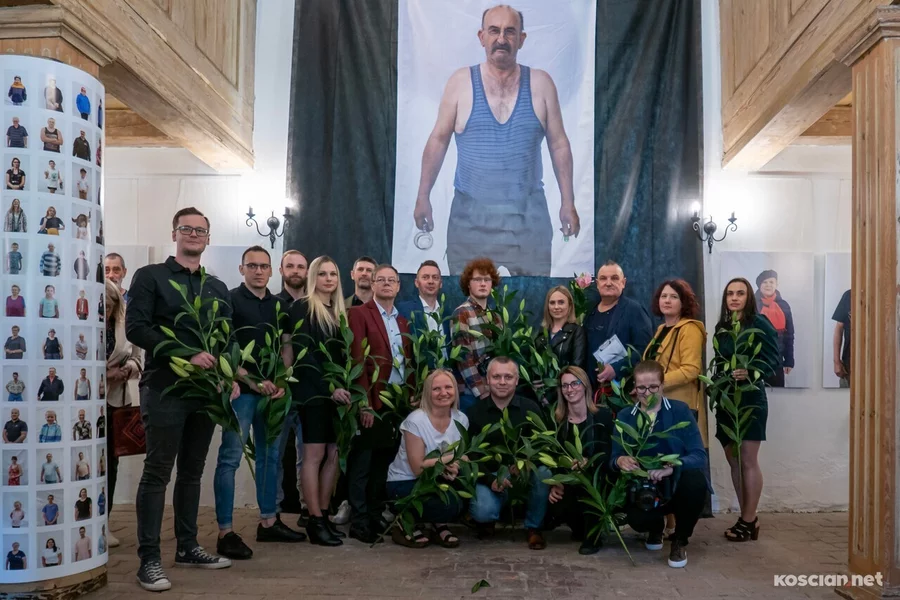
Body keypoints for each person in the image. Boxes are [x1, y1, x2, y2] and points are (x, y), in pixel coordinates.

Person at [413, 5, 579, 276]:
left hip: (528, 222)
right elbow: (438, 141)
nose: (501, 38)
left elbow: (559, 144)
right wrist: (423, 196)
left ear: (521, 39)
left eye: (510, 32)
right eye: (494, 31)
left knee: (533, 299)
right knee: (466, 302)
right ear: (482, 37)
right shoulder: (460, 83)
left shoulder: (541, 84)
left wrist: (568, 203)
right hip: (470, 223)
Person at [126, 207, 235, 590]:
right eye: (186, 228)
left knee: (192, 471)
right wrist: (185, 354)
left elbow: (227, 338)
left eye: (200, 230)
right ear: (174, 233)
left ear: (208, 238)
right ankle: (149, 560)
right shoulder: (150, 276)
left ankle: (188, 547)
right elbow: (136, 328)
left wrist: (229, 374)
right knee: (158, 472)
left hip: (205, 393)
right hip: (165, 388)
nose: (193, 234)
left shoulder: (216, 287)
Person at [213, 246, 306, 562]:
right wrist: (252, 381)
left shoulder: (280, 305)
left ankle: (269, 521)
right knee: (230, 458)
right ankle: (225, 531)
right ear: (242, 269)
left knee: (270, 457)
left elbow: (287, 345)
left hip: (272, 394)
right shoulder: (229, 300)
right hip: (240, 393)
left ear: (271, 270)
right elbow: (224, 348)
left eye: (263, 266)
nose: (258, 271)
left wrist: (281, 379)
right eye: (252, 266)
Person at [611, 360, 711, 568]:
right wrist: (620, 460)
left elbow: (699, 455)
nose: (647, 393)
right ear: (634, 387)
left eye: (653, 387)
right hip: (643, 486)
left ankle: (680, 540)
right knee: (637, 519)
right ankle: (655, 527)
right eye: (641, 388)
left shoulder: (680, 411)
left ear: (663, 385)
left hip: (675, 483)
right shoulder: (625, 416)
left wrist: (672, 466)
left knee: (696, 482)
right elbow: (613, 457)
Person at [282, 255, 348, 547]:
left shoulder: (340, 311)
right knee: (314, 455)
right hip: (313, 391)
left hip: (338, 394)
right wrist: (329, 387)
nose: (328, 279)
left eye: (333, 274)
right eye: (322, 274)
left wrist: (344, 388)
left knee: (333, 454)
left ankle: (323, 515)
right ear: (313, 277)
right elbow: (304, 354)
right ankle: (313, 519)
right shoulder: (302, 307)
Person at [346, 264, 413, 544]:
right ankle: (359, 520)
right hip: (372, 400)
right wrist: (364, 403)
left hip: (396, 402)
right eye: (381, 279)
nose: (386, 284)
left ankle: (374, 515)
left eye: (391, 280)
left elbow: (407, 362)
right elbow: (357, 359)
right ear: (372, 284)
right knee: (362, 464)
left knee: (382, 464)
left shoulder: (403, 321)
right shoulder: (359, 314)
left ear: (398, 286)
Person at [713, 278, 780, 543]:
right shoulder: (722, 327)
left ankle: (748, 520)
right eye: (730, 293)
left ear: (748, 297)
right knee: (734, 459)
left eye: (740, 293)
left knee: (748, 459)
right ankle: (747, 517)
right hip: (726, 398)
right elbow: (719, 362)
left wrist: (751, 372)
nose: (734, 298)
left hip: (750, 398)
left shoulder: (760, 323)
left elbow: (774, 360)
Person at [467, 357, 550, 549]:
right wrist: (490, 480)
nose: (502, 382)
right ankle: (490, 519)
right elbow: (470, 455)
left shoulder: (530, 408)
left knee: (544, 473)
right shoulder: (475, 412)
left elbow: (542, 445)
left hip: (523, 474)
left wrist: (524, 463)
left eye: (508, 377)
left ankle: (534, 528)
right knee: (483, 511)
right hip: (490, 476)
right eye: (496, 377)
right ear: (487, 379)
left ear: (517, 380)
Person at [386, 369, 468, 548]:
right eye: (436, 389)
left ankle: (439, 525)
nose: (443, 393)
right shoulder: (416, 421)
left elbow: (462, 455)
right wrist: (450, 460)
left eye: (448, 387)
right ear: (427, 393)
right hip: (406, 482)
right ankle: (404, 521)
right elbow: (418, 467)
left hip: (436, 477)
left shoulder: (461, 419)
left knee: (466, 487)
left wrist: (455, 466)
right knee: (449, 504)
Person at [546, 366, 612, 555]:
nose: (570, 389)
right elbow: (552, 456)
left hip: (597, 481)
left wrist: (588, 462)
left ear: (585, 386)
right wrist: (556, 481)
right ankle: (579, 526)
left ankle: (594, 535)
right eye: (565, 385)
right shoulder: (557, 420)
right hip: (569, 481)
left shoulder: (602, 416)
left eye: (575, 383)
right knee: (556, 504)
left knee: (592, 484)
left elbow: (609, 453)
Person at [273, 250, 310, 525]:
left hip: (309, 390)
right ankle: (271, 514)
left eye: (300, 266)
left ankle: (308, 509)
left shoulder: (315, 306)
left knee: (308, 455)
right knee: (274, 455)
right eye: (290, 266)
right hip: (279, 390)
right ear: (281, 270)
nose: (295, 271)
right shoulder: (273, 305)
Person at [106, 280, 141, 549]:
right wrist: (104, 373)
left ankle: (104, 522)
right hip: (81, 402)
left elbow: (138, 357)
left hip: (115, 401)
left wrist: (127, 369)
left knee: (111, 463)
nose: (104, 310)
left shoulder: (124, 325)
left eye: (109, 305)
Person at [584, 261, 654, 391]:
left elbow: (645, 350)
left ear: (623, 282)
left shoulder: (634, 310)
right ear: (597, 284)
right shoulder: (590, 313)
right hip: (591, 390)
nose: (608, 283)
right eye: (603, 278)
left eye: (614, 278)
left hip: (623, 389)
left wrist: (616, 369)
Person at [451, 258, 503, 413]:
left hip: (494, 390)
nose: (483, 284)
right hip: (471, 393)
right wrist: (482, 391)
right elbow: (463, 358)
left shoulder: (496, 317)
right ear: (468, 284)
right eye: (478, 279)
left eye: (487, 279)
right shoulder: (461, 313)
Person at [754, 270, 795, 388]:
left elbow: (789, 335)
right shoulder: (752, 305)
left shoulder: (784, 305)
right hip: (755, 360)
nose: (768, 285)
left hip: (777, 360)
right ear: (759, 285)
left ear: (776, 284)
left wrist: (789, 360)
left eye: (771, 282)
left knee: (778, 394)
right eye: (765, 282)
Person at [534, 285, 587, 371]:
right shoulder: (541, 332)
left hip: (568, 379)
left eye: (561, 302)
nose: (556, 307)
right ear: (547, 306)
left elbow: (577, 366)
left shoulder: (577, 331)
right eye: (552, 303)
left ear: (570, 306)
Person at [396, 260, 451, 341]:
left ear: (441, 283)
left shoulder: (448, 314)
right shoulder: (404, 310)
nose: (431, 281)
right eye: (425, 277)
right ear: (416, 283)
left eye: (435, 277)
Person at [832, 289, 851, 388]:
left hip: (878, 362)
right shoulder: (849, 295)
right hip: (849, 363)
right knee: (845, 396)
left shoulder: (882, 295)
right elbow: (839, 328)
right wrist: (836, 361)